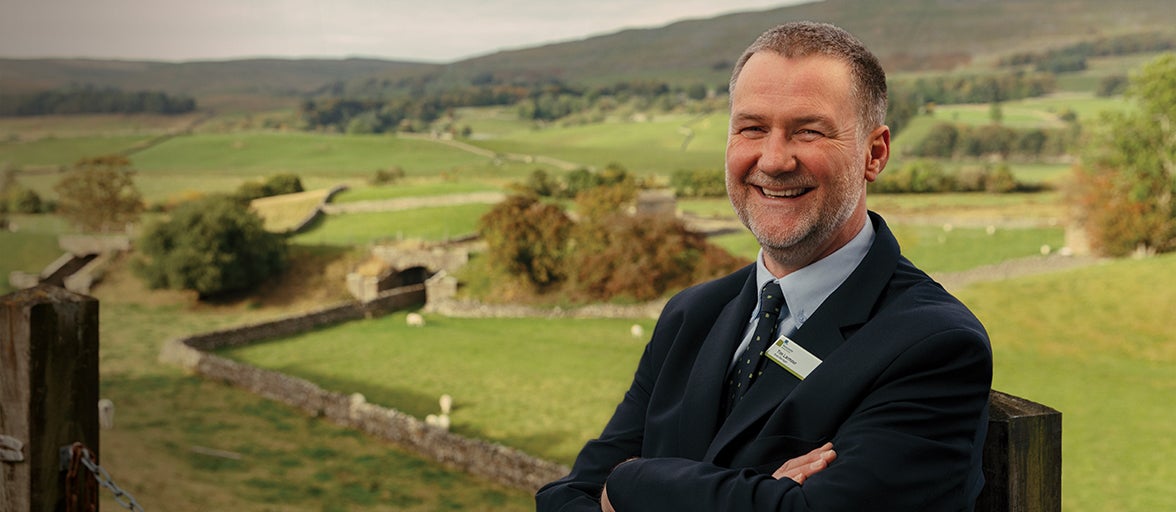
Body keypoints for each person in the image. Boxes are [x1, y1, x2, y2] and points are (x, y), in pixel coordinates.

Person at [535, 21, 992, 511]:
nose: (773, 160)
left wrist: (631, 483)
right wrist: (758, 495)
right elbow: (563, 499)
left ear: (873, 154)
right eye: (752, 128)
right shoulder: (692, 314)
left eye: (809, 131)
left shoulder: (934, 344)